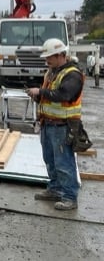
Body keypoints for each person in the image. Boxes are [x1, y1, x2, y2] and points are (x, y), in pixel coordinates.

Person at [26, 38, 84, 211]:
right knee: (50, 160)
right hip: (48, 124)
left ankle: (69, 197)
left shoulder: (72, 74)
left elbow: (64, 95)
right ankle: (55, 189)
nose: (47, 61)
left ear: (60, 55)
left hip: (63, 126)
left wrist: (41, 91)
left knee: (64, 162)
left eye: (49, 57)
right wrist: (37, 96)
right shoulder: (51, 72)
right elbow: (50, 95)